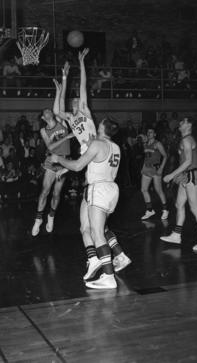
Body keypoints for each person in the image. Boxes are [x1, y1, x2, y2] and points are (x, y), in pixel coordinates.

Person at [53, 50, 130, 279]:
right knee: (94, 225)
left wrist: (81, 64)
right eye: (74, 100)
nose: (76, 100)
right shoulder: (72, 118)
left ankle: (101, 264)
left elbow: (84, 87)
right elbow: (58, 110)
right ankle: (108, 257)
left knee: (94, 226)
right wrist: (63, 83)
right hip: (90, 161)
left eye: (77, 99)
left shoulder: (85, 113)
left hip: (94, 158)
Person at [50, 118, 122, 289]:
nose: (98, 124)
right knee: (92, 229)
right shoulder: (115, 146)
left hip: (99, 189)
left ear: (103, 127)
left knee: (97, 233)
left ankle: (108, 276)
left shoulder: (97, 144)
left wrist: (59, 159)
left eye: (100, 123)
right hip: (112, 189)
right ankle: (99, 261)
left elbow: (77, 166)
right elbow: (94, 161)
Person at [160, 117, 197, 251]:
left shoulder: (187, 139)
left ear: (189, 125)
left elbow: (189, 161)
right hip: (186, 175)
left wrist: (171, 175)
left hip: (192, 174)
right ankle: (176, 235)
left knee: (194, 207)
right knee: (179, 204)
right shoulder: (185, 139)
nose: (180, 122)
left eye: (184, 121)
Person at [31, 108, 74, 236]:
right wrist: (67, 137)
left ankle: (51, 217)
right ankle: (38, 220)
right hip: (51, 161)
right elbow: (50, 147)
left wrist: (60, 89)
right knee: (45, 191)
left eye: (49, 110)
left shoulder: (61, 121)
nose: (49, 111)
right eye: (45, 112)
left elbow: (60, 104)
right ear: (43, 118)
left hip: (64, 161)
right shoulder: (43, 130)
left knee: (57, 193)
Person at [140, 127, 169, 220]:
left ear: (155, 134)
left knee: (159, 190)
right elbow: (147, 157)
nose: (149, 133)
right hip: (146, 168)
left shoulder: (158, 144)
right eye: (148, 132)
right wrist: (143, 167)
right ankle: (149, 210)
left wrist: (161, 168)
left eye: (151, 132)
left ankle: (165, 210)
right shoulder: (146, 143)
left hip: (155, 169)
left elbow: (165, 156)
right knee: (144, 189)